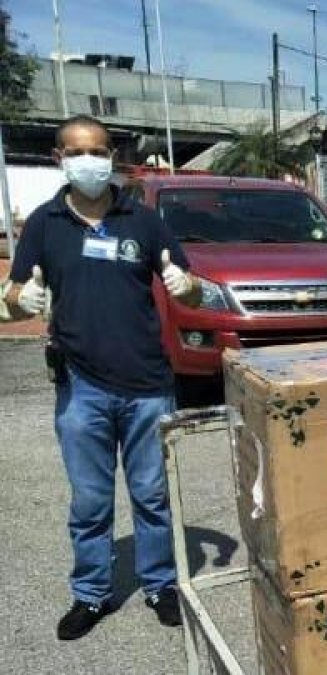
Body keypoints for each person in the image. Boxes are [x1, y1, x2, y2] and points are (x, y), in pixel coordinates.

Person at [3, 115, 202, 640]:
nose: (89, 159)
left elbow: (191, 289)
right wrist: (17, 301)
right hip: (81, 386)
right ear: (58, 158)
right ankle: (91, 594)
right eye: (77, 151)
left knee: (152, 494)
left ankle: (160, 585)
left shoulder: (143, 218)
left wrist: (187, 287)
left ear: (112, 155)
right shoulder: (44, 223)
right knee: (90, 500)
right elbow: (11, 293)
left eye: (98, 150)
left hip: (148, 385)